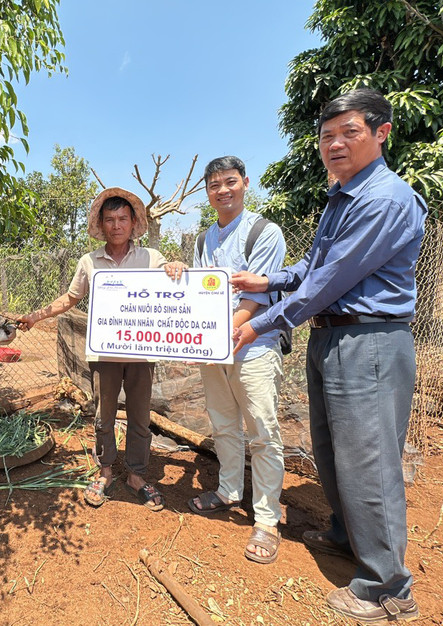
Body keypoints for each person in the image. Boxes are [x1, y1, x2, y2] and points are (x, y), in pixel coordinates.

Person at [230, 88, 426, 622]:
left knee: (369, 460)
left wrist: (260, 323)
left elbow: (328, 283)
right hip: (333, 338)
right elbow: (315, 268)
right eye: (326, 136)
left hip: (369, 341)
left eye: (349, 133)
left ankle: (388, 589)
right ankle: (346, 535)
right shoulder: (344, 194)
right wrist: (270, 279)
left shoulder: (385, 199)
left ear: (381, 133)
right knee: (334, 449)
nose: (334, 144)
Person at [19, 187, 179, 511]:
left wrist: (179, 269)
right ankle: (105, 472)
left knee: (139, 417)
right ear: (101, 225)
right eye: (110, 219)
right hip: (104, 355)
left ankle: (135, 475)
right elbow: (70, 298)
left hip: (141, 355)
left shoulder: (152, 259)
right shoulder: (89, 262)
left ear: (134, 222)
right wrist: (35, 316)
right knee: (104, 416)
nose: (116, 225)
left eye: (123, 218)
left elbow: (177, 287)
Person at [181, 156, 287, 565]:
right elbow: (198, 291)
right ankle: (228, 491)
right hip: (216, 348)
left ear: (245, 183)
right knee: (223, 424)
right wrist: (197, 339)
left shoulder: (264, 232)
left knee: (261, 430)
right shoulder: (205, 237)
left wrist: (217, 336)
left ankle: (265, 519)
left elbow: (254, 298)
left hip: (253, 347)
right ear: (207, 193)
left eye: (229, 182)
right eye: (214, 185)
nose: (222, 190)